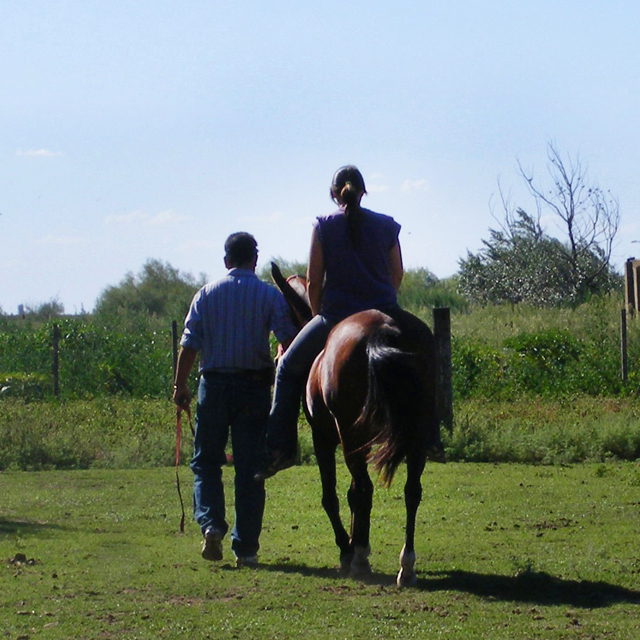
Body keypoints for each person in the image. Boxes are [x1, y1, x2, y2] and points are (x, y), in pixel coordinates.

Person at [256, 165, 444, 481]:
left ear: (334, 195)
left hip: (336, 313)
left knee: (287, 366)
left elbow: (314, 280)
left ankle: (280, 449)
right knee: (426, 354)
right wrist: (385, 303)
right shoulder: (387, 225)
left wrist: (318, 315)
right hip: (385, 307)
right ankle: (431, 438)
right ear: (364, 191)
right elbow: (397, 273)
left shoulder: (323, 226)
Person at [173, 232, 296, 566]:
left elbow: (189, 344)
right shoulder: (269, 296)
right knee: (250, 468)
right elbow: (289, 340)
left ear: (226, 260)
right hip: (253, 388)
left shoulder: (206, 294)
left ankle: (211, 525)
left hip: (212, 386)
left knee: (206, 463)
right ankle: (247, 549)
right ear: (254, 259)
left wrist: (179, 386)